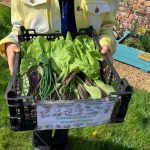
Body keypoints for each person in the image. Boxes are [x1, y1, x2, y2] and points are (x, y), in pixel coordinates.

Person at [0, 0, 120, 150]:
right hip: (40, 59)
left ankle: (61, 141)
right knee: (40, 98)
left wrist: (107, 43)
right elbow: (17, 27)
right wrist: (11, 43)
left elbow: (107, 26)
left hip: (80, 57)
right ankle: (41, 142)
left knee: (69, 98)